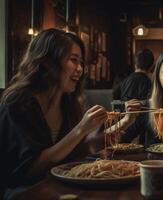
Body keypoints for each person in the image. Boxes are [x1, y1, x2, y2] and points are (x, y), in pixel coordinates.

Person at [0, 28, 107, 199]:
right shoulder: (18, 103)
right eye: (74, 60)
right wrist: (81, 130)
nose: (80, 69)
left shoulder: (69, 103)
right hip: (23, 191)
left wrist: (99, 140)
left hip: (59, 186)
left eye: (81, 63)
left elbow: (70, 155)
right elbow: (31, 170)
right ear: (48, 61)